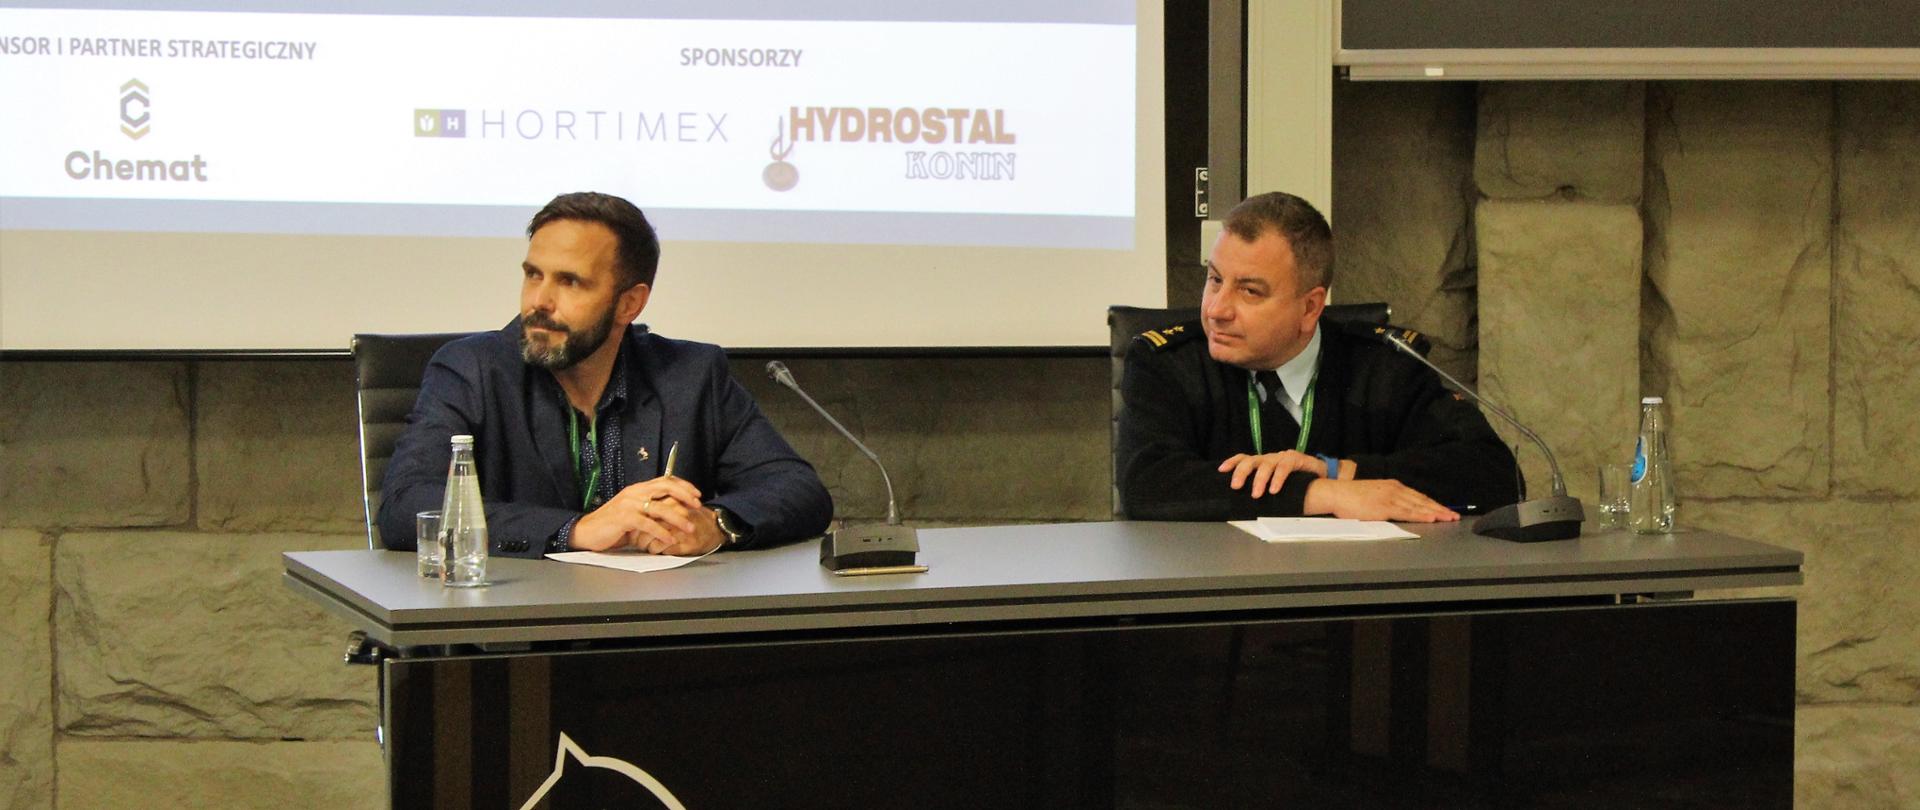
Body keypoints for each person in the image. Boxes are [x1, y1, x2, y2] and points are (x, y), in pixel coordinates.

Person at [378, 192, 833, 556]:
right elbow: (405, 505)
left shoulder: (690, 376)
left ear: (629, 303)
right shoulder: (471, 370)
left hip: (661, 623)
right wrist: (576, 530)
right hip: (518, 626)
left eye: (569, 282)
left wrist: (715, 525)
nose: (539, 301)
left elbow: (800, 490)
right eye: (533, 275)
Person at [1116, 191, 1520, 522]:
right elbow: (1148, 483)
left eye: (1250, 291)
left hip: (1358, 586)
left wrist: (1340, 470)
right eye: (1215, 280)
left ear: (1310, 307)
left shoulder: (1384, 367)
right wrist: (1323, 493)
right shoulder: (1166, 364)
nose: (1217, 309)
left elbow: (1496, 474)